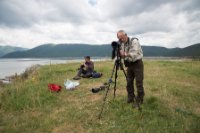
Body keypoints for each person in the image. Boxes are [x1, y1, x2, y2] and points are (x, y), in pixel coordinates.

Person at [117, 30, 144, 105]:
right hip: (129, 64)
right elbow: (122, 55)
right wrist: (120, 55)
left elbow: (134, 53)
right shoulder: (122, 44)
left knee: (139, 82)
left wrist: (125, 54)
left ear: (126, 35)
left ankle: (140, 99)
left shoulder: (134, 41)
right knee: (129, 82)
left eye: (122, 38)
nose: (121, 40)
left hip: (137, 63)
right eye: (120, 39)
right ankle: (131, 97)